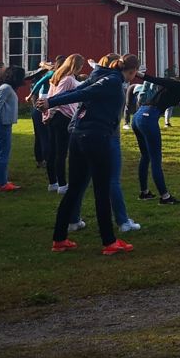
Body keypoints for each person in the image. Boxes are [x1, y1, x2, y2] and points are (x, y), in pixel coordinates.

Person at [39, 53, 142, 255]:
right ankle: (109, 242)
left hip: (78, 136)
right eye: (134, 73)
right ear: (131, 71)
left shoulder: (100, 75)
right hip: (96, 137)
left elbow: (80, 89)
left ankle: (59, 239)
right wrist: (50, 102)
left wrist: (51, 100)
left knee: (74, 189)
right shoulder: (112, 81)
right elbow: (81, 93)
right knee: (101, 190)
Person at [131, 69, 180, 204]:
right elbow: (158, 80)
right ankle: (165, 197)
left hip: (138, 116)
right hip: (148, 117)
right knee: (155, 159)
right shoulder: (179, 85)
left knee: (146, 156)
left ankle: (144, 192)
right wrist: (138, 74)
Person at [43, 53, 83, 196]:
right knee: (60, 152)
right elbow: (55, 99)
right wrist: (49, 114)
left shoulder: (58, 77)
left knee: (53, 151)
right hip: (62, 117)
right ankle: (61, 184)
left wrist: (47, 114)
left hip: (57, 117)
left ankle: (53, 182)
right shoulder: (67, 79)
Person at [0, 65, 25, 192]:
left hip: (2, 123)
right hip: (2, 124)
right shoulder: (6, 88)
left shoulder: (5, 87)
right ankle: (1, 183)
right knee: (3, 153)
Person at [26, 62, 54, 172]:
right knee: (45, 136)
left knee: (39, 136)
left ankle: (40, 160)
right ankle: (47, 161)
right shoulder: (50, 76)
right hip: (44, 106)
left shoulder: (39, 79)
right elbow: (38, 86)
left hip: (37, 108)